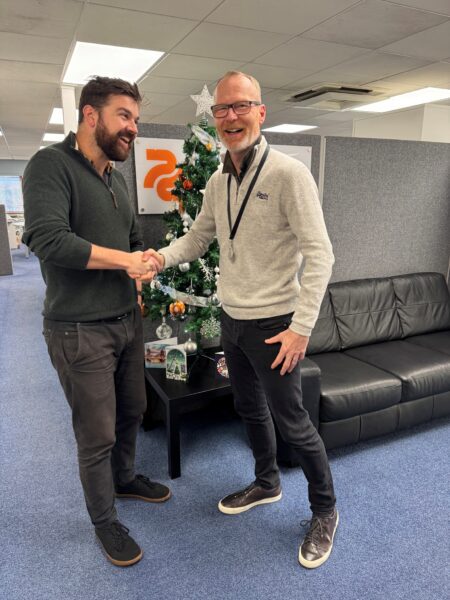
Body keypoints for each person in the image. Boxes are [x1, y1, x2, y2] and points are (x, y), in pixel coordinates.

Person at [144, 71, 338, 569]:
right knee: (249, 411)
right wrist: (159, 259)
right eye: (223, 109)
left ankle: (325, 511)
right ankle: (266, 482)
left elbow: (321, 255)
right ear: (216, 119)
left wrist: (301, 327)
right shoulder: (216, 179)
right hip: (232, 319)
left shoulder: (289, 174)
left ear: (260, 112)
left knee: (294, 422)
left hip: (276, 326)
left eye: (241, 106)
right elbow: (197, 240)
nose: (231, 117)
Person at [22, 76, 171, 568]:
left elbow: (130, 238)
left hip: (126, 322)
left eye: (135, 117)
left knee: (134, 409)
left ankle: (125, 478)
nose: (133, 127)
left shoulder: (116, 177)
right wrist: (123, 261)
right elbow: (48, 239)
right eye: (124, 116)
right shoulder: (50, 166)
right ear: (91, 115)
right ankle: (103, 519)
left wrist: (139, 260)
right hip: (78, 329)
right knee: (96, 433)